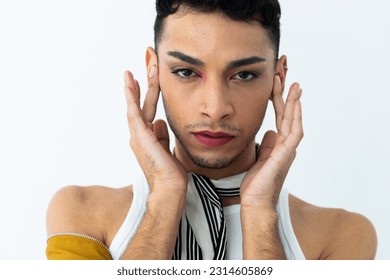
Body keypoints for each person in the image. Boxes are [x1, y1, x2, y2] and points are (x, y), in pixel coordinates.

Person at [46, 0, 377, 260]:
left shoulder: (341, 236)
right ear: (153, 71)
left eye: (244, 75)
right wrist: (163, 199)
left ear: (278, 78)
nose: (216, 108)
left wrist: (260, 213)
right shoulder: (81, 212)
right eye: (187, 72)